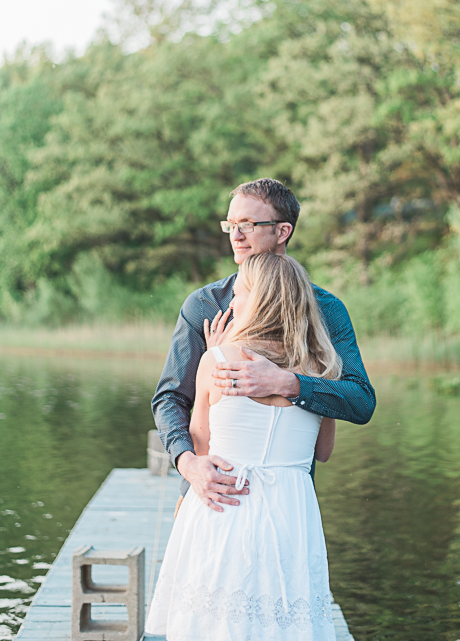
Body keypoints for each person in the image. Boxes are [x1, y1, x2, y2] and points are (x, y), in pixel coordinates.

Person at [145, 252, 342, 640]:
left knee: (215, 624)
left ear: (263, 300)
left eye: (241, 293)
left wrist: (220, 349)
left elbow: (201, 446)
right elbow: (323, 452)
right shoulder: (323, 369)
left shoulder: (216, 360)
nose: (232, 302)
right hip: (290, 512)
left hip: (225, 504)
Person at [152, 177, 376, 511]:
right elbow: (170, 398)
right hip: (211, 495)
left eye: (247, 225)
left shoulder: (326, 310)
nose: (235, 236)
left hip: (286, 501)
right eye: (230, 225)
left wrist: (291, 384)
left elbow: (360, 401)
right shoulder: (204, 305)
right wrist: (188, 464)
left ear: (282, 231)